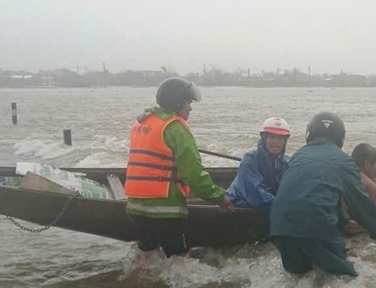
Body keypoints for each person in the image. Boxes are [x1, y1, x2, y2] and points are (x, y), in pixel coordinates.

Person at [269, 112, 376, 277]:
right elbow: (360, 200)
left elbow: (305, 197)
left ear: (309, 133)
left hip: (279, 228)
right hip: (316, 227)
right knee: (346, 278)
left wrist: (344, 221)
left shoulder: (297, 156)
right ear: (340, 138)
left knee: (300, 278)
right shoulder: (344, 161)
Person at [124, 77, 232, 258]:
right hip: (166, 208)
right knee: (180, 259)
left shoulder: (142, 122)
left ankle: (135, 277)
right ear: (177, 103)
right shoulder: (175, 127)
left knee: (146, 255)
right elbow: (193, 174)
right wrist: (219, 197)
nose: (190, 108)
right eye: (188, 102)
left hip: (136, 207)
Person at [225, 117, 291, 213]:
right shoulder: (250, 160)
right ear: (264, 138)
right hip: (238, 204)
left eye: (280, 138)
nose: (276, 142)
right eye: (272, 137)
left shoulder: (287, 162)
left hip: (270, 205)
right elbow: (257, 194)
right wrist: (285, 207)